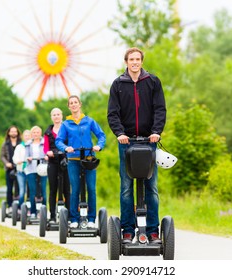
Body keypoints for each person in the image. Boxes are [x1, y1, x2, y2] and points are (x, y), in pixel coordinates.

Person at [107, 47, 166, 244]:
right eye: (131, 59)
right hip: (127, 142)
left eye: (137, 59)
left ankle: (152, 231)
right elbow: (112, 113)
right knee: (126, 187)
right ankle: (127, 230)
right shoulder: (118, 84)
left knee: (152, 187)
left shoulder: (152, 82)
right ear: (126, 62)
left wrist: (156, 132)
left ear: (142, 61)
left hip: (150, 141)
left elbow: (160, 109)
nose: (134, 62)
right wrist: (120, 133)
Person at [55, 95, 106, 229]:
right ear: (69, 106)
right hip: (73, 159)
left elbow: (101, 135)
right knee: (75, 189)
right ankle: (74, 219)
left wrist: (99, 146)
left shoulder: (89, 121)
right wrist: (66, 148)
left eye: (75, 102)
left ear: (80, 104)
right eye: (71, 103)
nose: (73, 105)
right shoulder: (66, 124)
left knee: (91, 188)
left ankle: (91, 219)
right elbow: (58, 140)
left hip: (88, 159)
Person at [44, 108, 71, 222]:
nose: (56, 116)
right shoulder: (48, 132)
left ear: (62, 116)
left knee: (66, 189)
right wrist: (47, 153)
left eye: (58, 114)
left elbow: (71, 142)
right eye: (54, 115)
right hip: (53, 161)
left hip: (65, 160)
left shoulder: (67, 129)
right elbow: (45, 147)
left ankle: (70, 216)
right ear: (51, 117)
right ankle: (53, 216)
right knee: (53, 189)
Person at [24, 126, 48, 218]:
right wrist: (28, 158)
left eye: (37, 132)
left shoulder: (44, 143)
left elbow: (47, 152)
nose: (36, 134)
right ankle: (33, 212)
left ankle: (43, 211)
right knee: (32, 191)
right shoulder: (28, 144)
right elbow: (26, 156)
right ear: (31, 134)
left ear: (40, 133)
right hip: (31, 169)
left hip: (42, 169)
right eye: (34, 132)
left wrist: (46, 157)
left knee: (43, 191)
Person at [0, 125, 22, 210]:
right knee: (9, 188)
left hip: (19, 168)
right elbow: (2, 156)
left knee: (19, 187)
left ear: (17, 133)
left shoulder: (21, 143)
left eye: (15, 131)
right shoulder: (5, 144)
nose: (13, 133)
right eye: (12, 131)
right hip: (9, 168)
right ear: (9, 133)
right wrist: (6, 163)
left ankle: (19, 206)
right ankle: (9, 205)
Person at [12, 129, 32, 209]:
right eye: (25, 136)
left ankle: (30, 208)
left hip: (30, 171)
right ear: (23, 137)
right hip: (21, 170)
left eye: (28, 135)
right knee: (22, 191)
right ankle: (20, 208)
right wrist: (18, 161)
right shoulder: (19, 147)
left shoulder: (32, 146)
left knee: (30, 190)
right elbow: (15, 158)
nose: (27, 137)